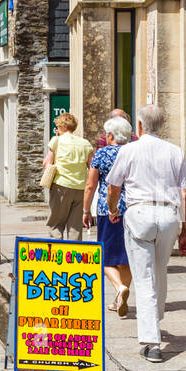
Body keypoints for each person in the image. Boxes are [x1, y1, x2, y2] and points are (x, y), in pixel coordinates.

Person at [104, 104, 186, 363]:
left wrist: (112, 209)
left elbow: (114, 186)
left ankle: (151, 342)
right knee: (159, 270)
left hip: (139, 214)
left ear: (140, 126)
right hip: (168, 215)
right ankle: (156, 317)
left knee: (143, 279)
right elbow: (185, 192)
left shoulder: (129, 150)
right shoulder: (174, 151)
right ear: (161, 125)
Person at [84, 116, 134, 318]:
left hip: (108, 209)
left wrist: (86, 210)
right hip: (132, 209)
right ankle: (118, 299)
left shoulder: (102, 154)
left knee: (105, 257)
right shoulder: (133, 152)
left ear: (111, 135)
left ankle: (120, 288)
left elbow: (90, 185)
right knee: (127, 257)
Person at [44, 112, 92, 240]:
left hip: (61, 185)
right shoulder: (85, 143)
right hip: (80, 188)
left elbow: (46, 163)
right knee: (75, 226)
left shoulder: (56, 141)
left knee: (56, 224)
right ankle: (74, 257)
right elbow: (91, 166)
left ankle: (57, 255)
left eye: (58, 127)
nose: (57, 130)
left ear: (64, 127)